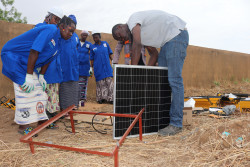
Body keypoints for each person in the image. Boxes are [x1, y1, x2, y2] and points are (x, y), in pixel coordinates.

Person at [112, 10, 189, 136]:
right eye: (119, 39)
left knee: (174, 81)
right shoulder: (142, 35)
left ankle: (176, 124)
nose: (121, 38)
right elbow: (154, 54)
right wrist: (146, 72)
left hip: (176, 36)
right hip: (166, 43)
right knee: (162, 81)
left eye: (119, 35)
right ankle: (165, 121)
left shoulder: (132, 21)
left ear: (120, 27)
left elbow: (136, 44)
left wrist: (134, 70)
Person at [1, 16, 76, 135]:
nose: (71, 34)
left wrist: (41, 75)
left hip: (27, 63)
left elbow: (49, 59)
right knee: (24, 91)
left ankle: (42, 120)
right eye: (70, 30)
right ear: (62, 27)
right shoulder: (51, 30)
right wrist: (29, 76)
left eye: (73, 32)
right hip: (14, 57)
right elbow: (34, 51)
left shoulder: (60, 41)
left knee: (41, 92)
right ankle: (23, 126)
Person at [34, 7, 64, 128]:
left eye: (58, 20)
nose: (56, 22)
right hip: (44, 70)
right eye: (55, 19)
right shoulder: (39, 27)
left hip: (54, 69)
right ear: (48, 18)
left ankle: (50, 117)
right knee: (43, 95)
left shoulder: (56, 32)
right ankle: (44, 119)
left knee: (53, 95)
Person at [59, 14, 80, 112]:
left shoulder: (75, 36)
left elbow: (77, 49)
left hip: (74, 66)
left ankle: (73, 106)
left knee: (74, 86)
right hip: (64, 65)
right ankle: (64, 109)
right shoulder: (62, 33)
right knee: (65, 87)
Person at [91, 31, 114, 104]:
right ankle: (101, 98)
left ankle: (111, 99)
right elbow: (91, 59)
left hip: (107, 67)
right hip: (98, 67)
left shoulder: (105, 44)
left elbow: (110, 53)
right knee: (100, 84)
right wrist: (91, 69)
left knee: (109, 83)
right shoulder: (92, 47)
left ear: (99, 37)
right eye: (94, 38)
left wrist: (113, 62)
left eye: (96, 37)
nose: (95, 39)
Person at [77, 30, 93, 106]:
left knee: (83, 86)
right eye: (83, 35)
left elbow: (93, 55)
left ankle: (82, 102)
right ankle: (75, 101)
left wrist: (91, 68)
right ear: (81, 35)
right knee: (76, 85)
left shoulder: (89, 45)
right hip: (76, 67)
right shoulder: (76, 43)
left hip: (85, 68)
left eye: (86, 35)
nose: (84, 36)